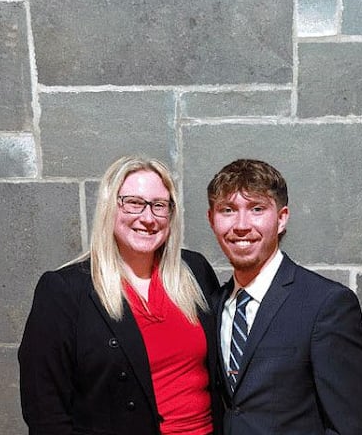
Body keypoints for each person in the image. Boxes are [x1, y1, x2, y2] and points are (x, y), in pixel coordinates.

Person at [19, 156, 222, 435]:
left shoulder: (195, 272)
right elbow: (44, 410)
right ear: (109, 207)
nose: (148, 217)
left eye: (159, 206)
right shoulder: (65, 291)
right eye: (134, 203)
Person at [206, 159, 362, 435]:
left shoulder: (327, 305)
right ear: (211, 219)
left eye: (257, 209)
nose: (241, 224)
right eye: (227, 210)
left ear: (282, 218)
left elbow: (353, 426)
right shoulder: (214, 305)